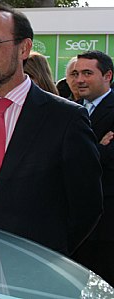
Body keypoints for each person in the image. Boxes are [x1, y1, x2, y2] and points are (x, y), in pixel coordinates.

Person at [0, 2, 102, 255]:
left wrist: (51, 255)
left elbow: (87, 206)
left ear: (24, 48)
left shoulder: (66, 119)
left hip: (35, 267)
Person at [70, 50, 114, 284]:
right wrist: (98, 148)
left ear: (108, 76)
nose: (79, 80)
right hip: (74, 222)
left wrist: (90, 152)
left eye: (88, 73)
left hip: (106, 225)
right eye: (76, 73)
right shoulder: (70, 109)